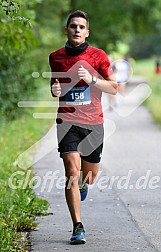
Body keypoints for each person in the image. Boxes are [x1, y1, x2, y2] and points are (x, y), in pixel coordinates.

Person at [49, 10, 117, 245]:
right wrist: (54, 90)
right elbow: (55, 83)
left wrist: (91, 79)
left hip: (93, 123)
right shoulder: (55, 57)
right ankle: (77, 225)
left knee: (89, 176)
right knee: (71, 171)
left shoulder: (98, 56)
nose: (77, 30)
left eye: (81, 27)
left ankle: (83, 185)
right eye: (73, 26)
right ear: (66, 30)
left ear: (87, 32)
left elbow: (114, 88)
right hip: (67, 120)